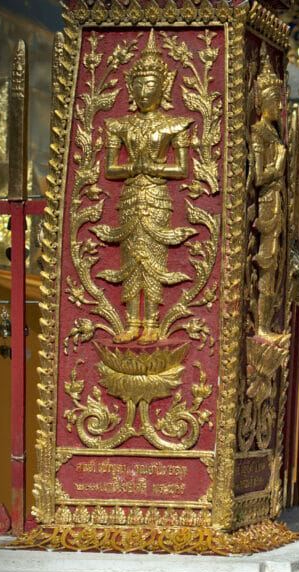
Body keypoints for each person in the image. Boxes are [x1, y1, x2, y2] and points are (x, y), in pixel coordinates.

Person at [96, 29, 195, 344]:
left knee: (152, 261)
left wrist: (150, 167)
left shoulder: (173, 124)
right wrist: (131, 168)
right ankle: (132, 322)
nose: (142, 91)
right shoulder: (120, 124)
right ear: (130, 87)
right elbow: (110, 169)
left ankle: (152, 322)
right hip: (129, 199)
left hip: (156, 198)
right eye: (137, 85)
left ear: (163, 86)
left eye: (150, 85)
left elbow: (181, 169)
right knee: (131, 260)